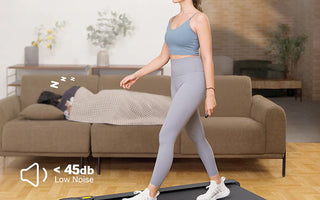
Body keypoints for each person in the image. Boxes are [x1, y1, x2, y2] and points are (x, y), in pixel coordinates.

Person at [119, 1, 230, 200]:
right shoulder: (172, 21)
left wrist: (210, 92)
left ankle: (151, 193)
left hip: (193, 80)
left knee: (166, 135)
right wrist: (137, 75)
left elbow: (207, 57)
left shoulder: (200, 19)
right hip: (176, 82)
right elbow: (163, 57)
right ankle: (218, 184)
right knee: (197, 135)